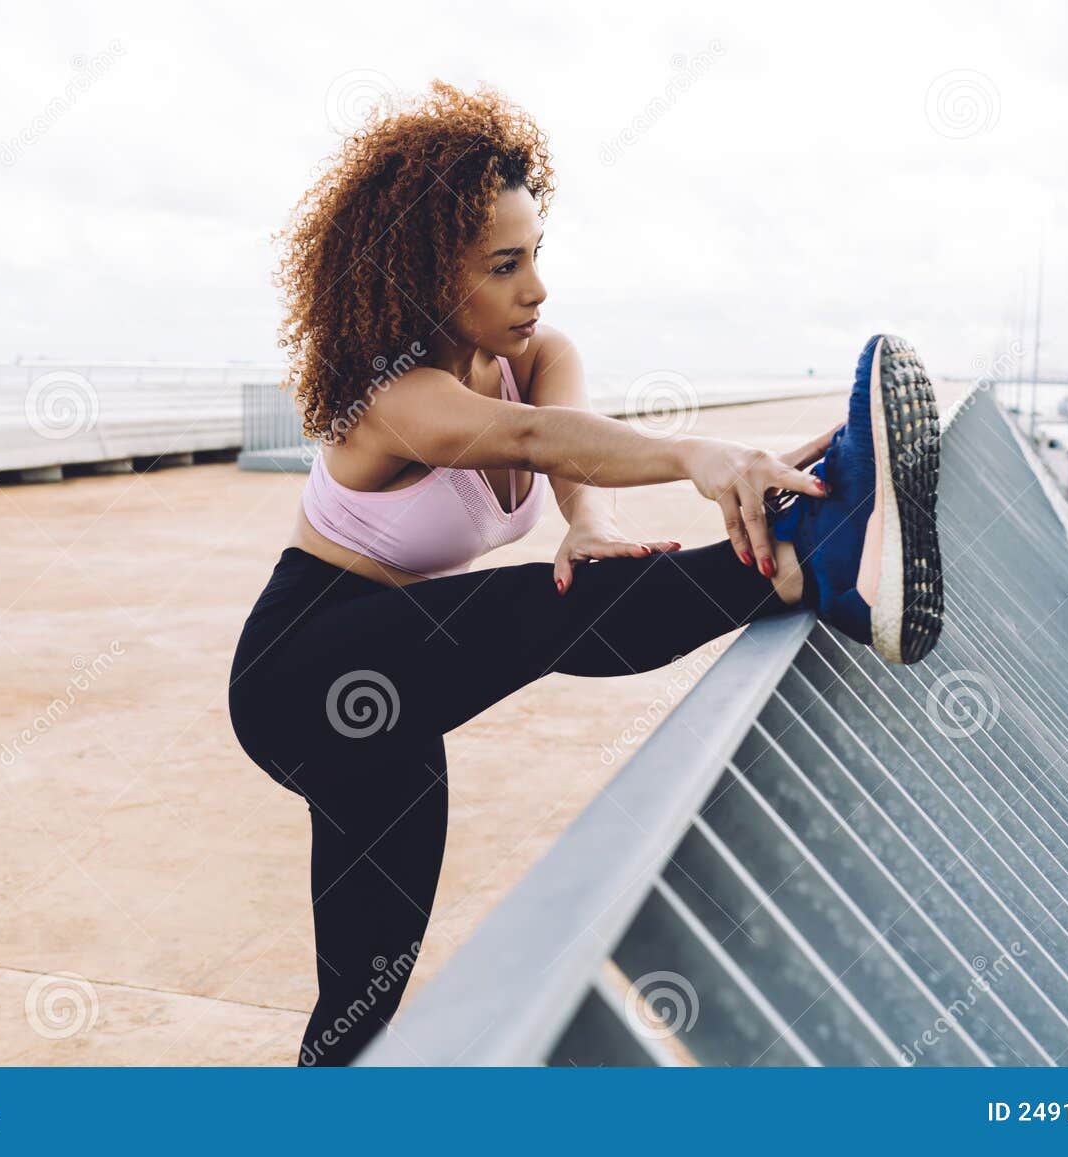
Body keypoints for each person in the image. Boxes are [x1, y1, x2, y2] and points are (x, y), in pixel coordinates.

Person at [228, 79, 943, 1066]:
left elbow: (568, 451)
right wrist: (697, 454)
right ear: (428, 279)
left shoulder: (538, 350)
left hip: (388, 696)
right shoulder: (393, 398)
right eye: (504, 265)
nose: (536, 288)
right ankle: (812, 555)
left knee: (361, 997)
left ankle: (819, 536)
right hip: (303, 667)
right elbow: (524, 435)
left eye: (536, 256)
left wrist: (592, 523)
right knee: (541, 609)